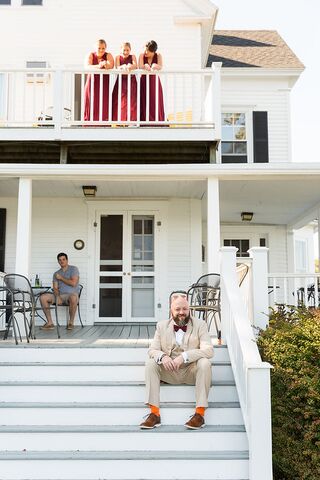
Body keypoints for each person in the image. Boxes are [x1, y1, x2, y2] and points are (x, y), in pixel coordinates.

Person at [140, 293, 213, 430]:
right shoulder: (161, 326)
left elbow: (208, 350)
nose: (181, 313)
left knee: (204, 363)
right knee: (151, 363)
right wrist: (163, 356)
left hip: (191, 371)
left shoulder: (200, 324)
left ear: (189, 309)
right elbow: (152, 350)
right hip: (169, 372)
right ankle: (154, 414)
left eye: (185, 309)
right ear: (171, 310)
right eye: (178, 309)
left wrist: (185, 356)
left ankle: (200, 414)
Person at [40, 253, 80, 331]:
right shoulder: (56, 273)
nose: (62, 261)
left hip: (71, 295)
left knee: (73, 298)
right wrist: (58, 296)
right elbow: (55, 288)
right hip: (60, 295)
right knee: (43, 297)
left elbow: (73, 283)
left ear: (67, 260)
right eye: (60, 260)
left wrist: (61, 278)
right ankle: (50, 323)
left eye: (63, 259)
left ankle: (71, 323)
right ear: (58, 262)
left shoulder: (73, 269)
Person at [84, 39, 114, 122]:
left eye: (103, 48)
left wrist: (105, 65)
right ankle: (89, 122)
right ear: (95, 48)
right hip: (92, 81)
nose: (101, 50)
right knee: (91, 101)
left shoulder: (108, 55)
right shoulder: (90, 55)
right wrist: (100, 65)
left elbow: (111, 65)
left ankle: (103, 122)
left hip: (103, 82)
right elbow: (87, 66)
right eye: (99, 48)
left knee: (104, 101)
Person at [138, 40, 165, 123]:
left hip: (154, 81)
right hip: (144, 81)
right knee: (144, 100)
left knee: (154, 100)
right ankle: (144, 121)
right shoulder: (142, 55)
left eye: (148, 51)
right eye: (145, 49)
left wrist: (155, 66)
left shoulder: (158, 55)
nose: (146, 52)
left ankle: (157, 120)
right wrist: (145, 66)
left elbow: (160, 66)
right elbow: (140, 66)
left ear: (153, 51)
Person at [112, 42, 137, 122]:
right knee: (120, 100)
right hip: (121, 80)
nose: (126, 52)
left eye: (127, 50)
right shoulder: (118, 57)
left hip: (131, 80)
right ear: (120, 49)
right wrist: (123, 67)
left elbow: (135, 65)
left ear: (130, 50)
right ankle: (120, 119)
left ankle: (132, 120)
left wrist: (130, 66)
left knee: (132, 100)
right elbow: (118, 67)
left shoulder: (132, 56)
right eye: (124, 50)